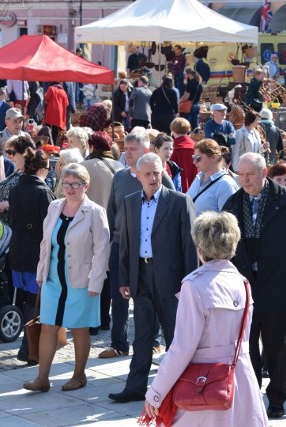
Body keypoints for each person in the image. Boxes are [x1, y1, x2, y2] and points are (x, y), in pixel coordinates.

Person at [141, 211, 269, 426]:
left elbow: (182, 347)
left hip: (204, 381)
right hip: (240, 378)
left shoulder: (194, 284)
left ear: (200, 247)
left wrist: (156, 391)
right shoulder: (242, 282)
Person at [222, 152, 286, 419]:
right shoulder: (234, 202)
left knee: (277, 346)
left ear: (263, 173)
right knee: (246, 348)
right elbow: (224, 247)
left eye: (250, 174)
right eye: (241, 174)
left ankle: (277, 400)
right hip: (244, 285)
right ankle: (250, 398)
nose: (245, 179)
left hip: (277, 283)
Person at [108, 153, 198, 403]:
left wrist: (190, 283)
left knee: (176, 336)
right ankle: (136, 386)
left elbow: (190, 246)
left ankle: (183, 386)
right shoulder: (129, 202)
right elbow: (125, 242)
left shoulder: (180, 201)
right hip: (141, 275)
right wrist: (125, 278)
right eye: (147, 173)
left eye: (157, 172)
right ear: (137, 176)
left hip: (172, 280)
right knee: (143, 335)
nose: (153, 178)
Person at [23, 164, 110, 392]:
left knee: (79, 328)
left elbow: (102, 250)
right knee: (48, 326)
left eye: (75, 184)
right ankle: (42, 378)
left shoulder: (95, 212)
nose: (69, 188)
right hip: (54, 278)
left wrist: (96, 282)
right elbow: (45, 243)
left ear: (85, 186)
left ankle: (79, 375)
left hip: (82, 279)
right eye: (66, 183)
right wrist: (41, 272)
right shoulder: (54, 207)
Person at [101, 129, 175, 360]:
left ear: (145, 150)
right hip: (121, 244)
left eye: (132, 149)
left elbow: (172, 209)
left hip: (149, 248)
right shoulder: (120, 177)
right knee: (118, 295)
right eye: (125, 148)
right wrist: (113, 239)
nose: (127, 152)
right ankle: (119, 343)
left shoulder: (161, 177)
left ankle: (154, 341)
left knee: (150, 295)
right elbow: (111, 210)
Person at [8, 148, 56, 364]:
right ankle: (29, 349)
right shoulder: (42, 192)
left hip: (19, 250)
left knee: (29, 300)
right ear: (42, 169)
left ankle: (28, 348)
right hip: (36, 253)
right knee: (36, 302)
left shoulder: (16, 188)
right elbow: (50, 227)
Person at [80, 132, 124, 333]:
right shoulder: (120, 168)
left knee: (88, 272)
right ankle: (104, 318)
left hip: (88, 224)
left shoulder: (84, 167)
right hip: (115, 225)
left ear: (91, 146)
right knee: (105, 271)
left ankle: (91, 320)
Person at [0, 135, 36, 224]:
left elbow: (38, 201)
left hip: (21, 227)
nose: (8, 156)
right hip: (4, 225)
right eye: (6, 152)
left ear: (25, 152)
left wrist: (11, 204)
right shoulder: (18, 170)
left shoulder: (38, 172)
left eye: (11, 152)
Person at [187, 139, 239, 216]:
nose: (194, 162)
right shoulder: (198, 178)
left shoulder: (226, 185)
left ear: (214, 157)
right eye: (193, 157)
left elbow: (229, 222)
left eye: (198, 158)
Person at [170, 117, 197, 192]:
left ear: (173, 130)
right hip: (195, 187)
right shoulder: (196, 147)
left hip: (177, 188)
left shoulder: (172, 149)